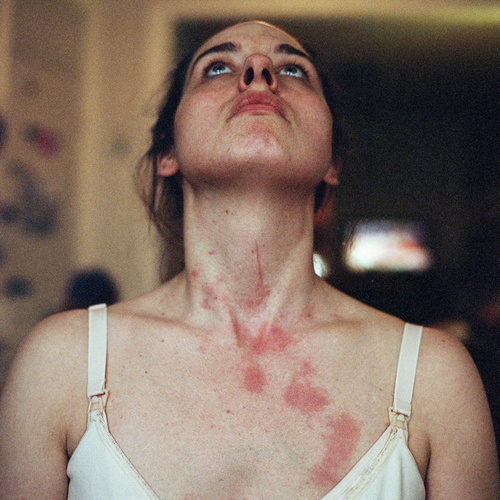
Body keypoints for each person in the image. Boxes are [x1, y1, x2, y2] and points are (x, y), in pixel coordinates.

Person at [0, 20, 498, 499]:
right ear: (167, 153)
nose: (259, 71)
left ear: (332, 162)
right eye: (217, 67)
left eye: (294, 70)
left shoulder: (435, 378)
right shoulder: (62, 363)